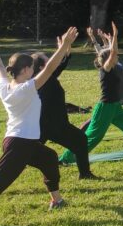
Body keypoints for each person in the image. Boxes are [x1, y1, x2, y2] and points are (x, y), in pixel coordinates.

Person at [0, 28, 77, 213]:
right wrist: (65, 45)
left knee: (49, 158)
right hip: (20, 145)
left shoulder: (5, 86)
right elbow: (50, 68)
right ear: (25, 70)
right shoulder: (27, 89)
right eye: (32, 69)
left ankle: (57, 201)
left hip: (19, 141)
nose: (34, 71)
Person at [60, 23, 123, 164]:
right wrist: (116, 36)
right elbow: (113, 53)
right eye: (113, 56)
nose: (116, 57)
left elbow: (112, 53)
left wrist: (111, 40)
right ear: (108, 60)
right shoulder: (106, 69)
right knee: (93, 137)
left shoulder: (113, 67)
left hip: (116, 107)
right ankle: (67, 157)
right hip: (105, 108)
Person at [33, 38, 95, 180]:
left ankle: (85, 174)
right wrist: (64, 48)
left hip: (48, 124)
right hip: (52, 124)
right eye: (47, 59)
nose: (51, 60)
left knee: (80, 140)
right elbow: (57, 66)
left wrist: (66, 49)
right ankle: (85, 174)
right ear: (43, 67)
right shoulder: (44, 80)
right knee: (80, 140)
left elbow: (60, 65)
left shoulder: (45, 78)